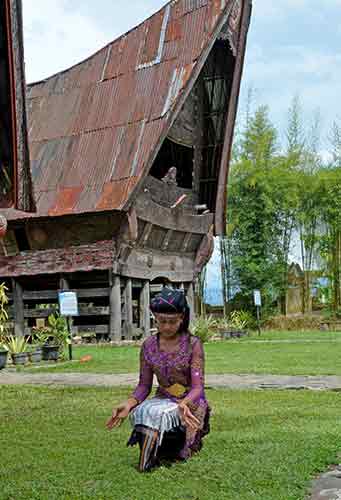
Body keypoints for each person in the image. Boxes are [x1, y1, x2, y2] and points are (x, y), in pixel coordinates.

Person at [106, 287, 210, 472]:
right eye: (162, 321)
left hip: (190, 402)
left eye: (172, 322)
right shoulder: (148, 346)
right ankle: (147, 459)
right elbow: (144, 385)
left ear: (182, 318)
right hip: (164, 398)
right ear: (155, 318)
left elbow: (197, 387)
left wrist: (185, 403)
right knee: (147, 412)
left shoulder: (193, 345)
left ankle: (183, 441)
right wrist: (129, 404)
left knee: (180, 454)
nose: (167, 327)